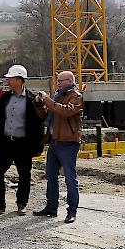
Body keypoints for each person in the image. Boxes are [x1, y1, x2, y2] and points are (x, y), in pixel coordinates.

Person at [0, 64, 46, 216]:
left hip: (23, 144)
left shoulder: (32, 100)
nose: (8, 81)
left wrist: (37, 146)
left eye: (11, 79)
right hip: (5, 142)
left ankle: (21, 203)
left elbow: (38, 125)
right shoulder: (6, 97)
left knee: (24, 174)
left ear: (20, 80)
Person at [33, 71, 83, 223]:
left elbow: (66, 111)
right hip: (55, 141)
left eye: (61, 80)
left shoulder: (76, 97)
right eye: (58, 80)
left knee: (70, 178)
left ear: (70, 81)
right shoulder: (57, 96)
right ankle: (51, 207)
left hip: (68, 143)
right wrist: (40, 104)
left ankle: (72, 211)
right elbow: (47, 114)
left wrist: (48, 100)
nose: (58, 83)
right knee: (51, 176)